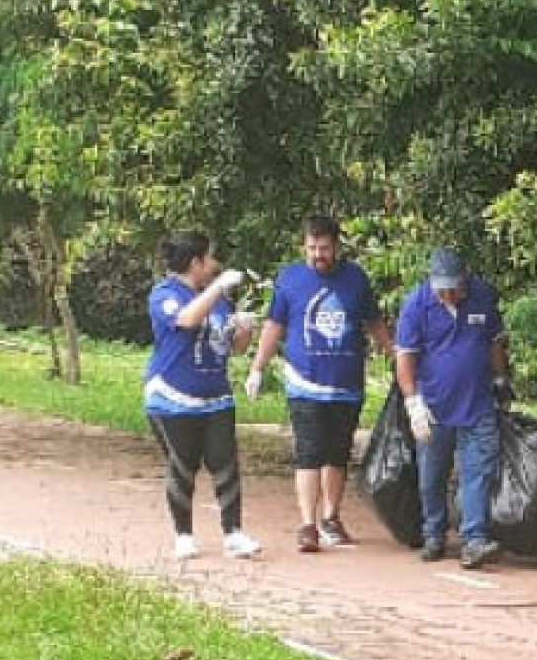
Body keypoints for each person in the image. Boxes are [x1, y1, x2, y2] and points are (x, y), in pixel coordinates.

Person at [244, 215, 393, 552]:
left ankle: (331, 516)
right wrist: (257, 367)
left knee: (338, 453)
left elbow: (374, 323)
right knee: (309, 452)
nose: (317, 254)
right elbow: (274, 325)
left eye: (323, 248)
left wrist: (397, 358)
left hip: (346, 383)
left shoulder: (355, 279)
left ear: (336, 247)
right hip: (303, 382)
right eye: (311, 248)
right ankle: (307, 523)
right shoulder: (290, 278)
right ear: (304, 247)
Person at [143, 230, 262, 561]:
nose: (214, 264)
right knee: (183, 465)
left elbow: (233, 347)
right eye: (209, 258)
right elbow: (186, 319)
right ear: (195, 262)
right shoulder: (164, 294)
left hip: (216, 396)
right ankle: (183, 535)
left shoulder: (219, 300)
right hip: (171, 397)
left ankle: (234, 533)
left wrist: (245, 328)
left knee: (226, 463)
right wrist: (218, 287)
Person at [393, 248, 513, 571]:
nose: (448, 294)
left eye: (454, 287)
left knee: (478, 471)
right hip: (434, 406)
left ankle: (474, 538)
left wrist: (501, 378)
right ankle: (433, 531)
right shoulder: (416, 305)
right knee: (431, 474)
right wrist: (412, 401)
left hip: (477, 403)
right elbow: (404, 355)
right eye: (441, 287)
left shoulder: (482, 297)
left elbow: (494, 341)